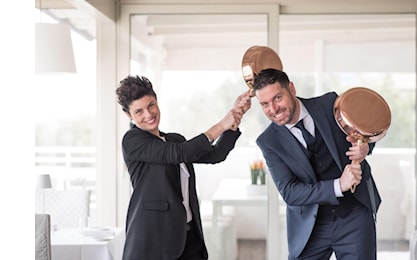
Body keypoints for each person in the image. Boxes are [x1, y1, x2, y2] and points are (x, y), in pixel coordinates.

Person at [115, 75, 251, 260]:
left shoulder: (174, 140)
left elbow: (215, 155)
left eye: (151, 105)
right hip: (154, 241)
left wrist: (235, 117)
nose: (148, 114)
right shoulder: (132, 141)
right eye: (139, 111)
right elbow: (178, 153)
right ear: (128, 115)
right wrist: (221, 124)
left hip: (189, 237)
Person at [252, 68, 381, 260]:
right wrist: (339, 185)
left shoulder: (330, 104)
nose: (273, 109)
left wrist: (365, 147)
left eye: (277, 98)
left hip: (354, 215)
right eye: (264, 104)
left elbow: (364, 126)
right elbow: (290, 192)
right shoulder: (268, 141)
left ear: (292, 89)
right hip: (310, 227)